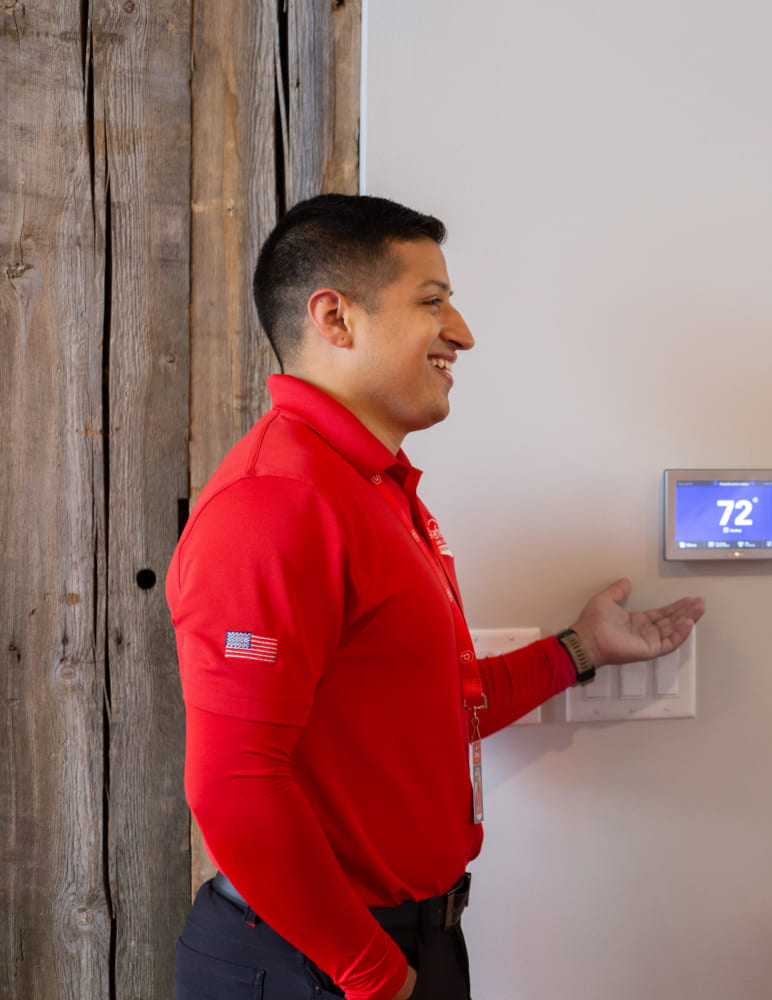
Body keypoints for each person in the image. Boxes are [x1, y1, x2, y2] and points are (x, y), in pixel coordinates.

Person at [167, 193, 705, 1000]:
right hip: (315, 963)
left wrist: (582, 649)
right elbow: (234, 783)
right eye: (432, 302)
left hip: (404, 947)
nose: (463, 332)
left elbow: (439, 711)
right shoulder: (275, 502)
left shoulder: (372, 488)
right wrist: (374, 975)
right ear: (335, 319)